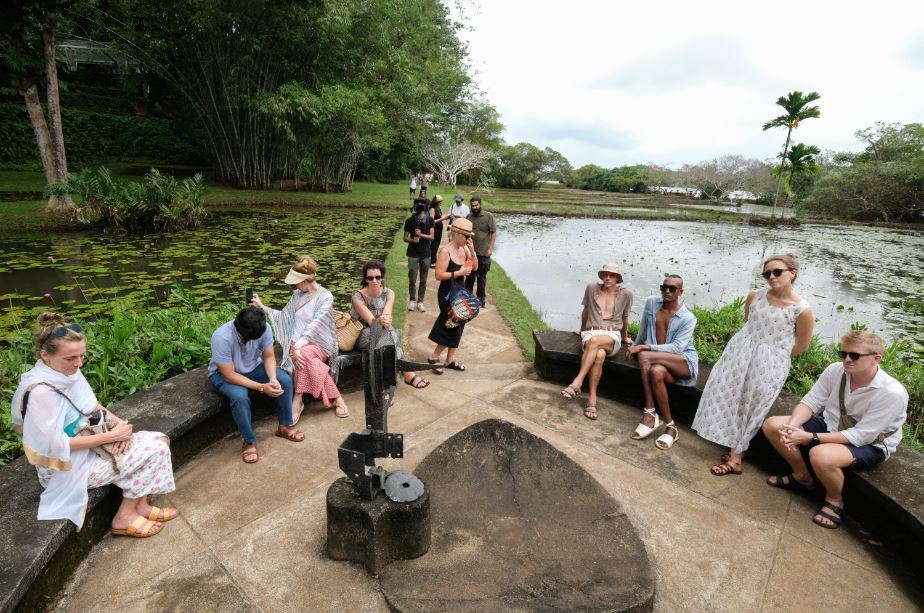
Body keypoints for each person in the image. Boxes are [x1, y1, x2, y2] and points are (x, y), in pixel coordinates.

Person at [11, 313, 178, 537]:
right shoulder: (41, 392)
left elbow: (92, 406)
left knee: (160, 439)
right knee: (155, 449)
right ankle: (124, 517)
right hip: (63, 468)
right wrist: (110, 437)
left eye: (82, 356)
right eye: (71, 358)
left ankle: (141, 506)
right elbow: (53, 446)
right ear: (45, 356)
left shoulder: (66, 372)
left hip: (89, 446)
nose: (79, 363)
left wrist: (122, 428)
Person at [762, 331, 907, 529]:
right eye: (843, 354)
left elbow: (862, 435)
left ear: (876, 359)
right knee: (773, 426)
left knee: (821, 455)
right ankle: (802, 477)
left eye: (854, 355)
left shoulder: (891, 393)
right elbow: (811, 402)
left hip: (871, 443)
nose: (847, 359)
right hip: (831, 423)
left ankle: (834, 500)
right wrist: (792, 426)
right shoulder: (835, 370)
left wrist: (809, 437)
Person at [692, 253, 813, 476]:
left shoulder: (802, 309)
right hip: (740, 352)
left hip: (770, 363)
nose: (772, 277)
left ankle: (737, 456)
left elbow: (801, 346)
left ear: (793, 273)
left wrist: (773, 354)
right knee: (730, 396)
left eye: (777, 272)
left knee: (754, 404)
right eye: (767, 273)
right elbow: (748, 323)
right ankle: (734, 449)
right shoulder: (754, 296)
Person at [250, 255, 348, 423]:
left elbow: (315, 325)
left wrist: (298, 346)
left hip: (320, 343)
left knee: (301, 354)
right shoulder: (297, 295)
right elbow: (285, 317)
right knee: (304, 356)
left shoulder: (325, 297)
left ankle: (298, 398)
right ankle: (337, 397)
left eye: (296, 282)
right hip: (297, 344)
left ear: (305, 280)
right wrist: (263, 307)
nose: (294, 286)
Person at [208, 307, 301, 464]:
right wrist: (262, 388)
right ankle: (249, 441)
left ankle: (285, 426)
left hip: (253, 367)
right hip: (223, 375)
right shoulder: (221, 337)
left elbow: (269, 356)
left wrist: (272, 379)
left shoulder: (263, 328)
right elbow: (229, 375)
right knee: (240, 396)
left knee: (283, 379)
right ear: (240, 330)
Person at [626, 275, 699, 449]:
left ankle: (650, 413)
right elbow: (643, 331)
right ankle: (671, 427)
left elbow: (677, 348)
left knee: (644, 355)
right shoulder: (652, 303)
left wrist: (643, 349)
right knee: (656, 371)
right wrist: (634, 347)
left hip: (682, 362)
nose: (667, 291)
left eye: (672, 288)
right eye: (664, 287)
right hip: (659, 362)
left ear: (680, 292)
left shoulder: (688, 318)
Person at [560, 264, 634, 420]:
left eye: (611, 275)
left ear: (617, 278)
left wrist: (624, 337)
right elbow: (586, 310)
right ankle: (592, 398)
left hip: (611, 335)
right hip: (591, 332)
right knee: (599, 355)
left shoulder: (626, 294)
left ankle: (577, 382)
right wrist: (581, 330)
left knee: (596, 342)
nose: (608, 277)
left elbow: (625, 318)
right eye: (605, 274)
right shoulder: (592, 288)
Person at [352, 260, 430, 389]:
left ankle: (387, 388)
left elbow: (387, 315)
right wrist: (381, 321)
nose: (375, 281)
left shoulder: (389, 293)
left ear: (382, 277)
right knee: (388, 334)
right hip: (363, 334)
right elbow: (371, 322)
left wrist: (384, 320)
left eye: (378, 277)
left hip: (383, 330)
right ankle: (407, 374)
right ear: (365, 279)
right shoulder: (358, 297)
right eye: (370, 278)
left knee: (387, 337)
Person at [427, 218, 478, 374]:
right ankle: (434, 356)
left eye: (470, 236)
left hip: (460, 291)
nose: (468, 239)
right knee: (450, 323)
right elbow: (438, 275)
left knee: (460, 323)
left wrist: (473, 253)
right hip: (447, 293)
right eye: (466, 236)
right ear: (456, 234)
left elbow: (474, 267)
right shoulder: (445, 251)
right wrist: (459, 272)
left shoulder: (465, 249)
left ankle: (449, 360)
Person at [465, 196, 497, 307]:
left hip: (483, 254)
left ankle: (480, 299)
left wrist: (490, 248)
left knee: (481, 277)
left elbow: (493, 233)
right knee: (469, 276)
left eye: (476, 205)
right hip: (469, 254)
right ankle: (467, 299)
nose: (474, 207)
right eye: (472, 205)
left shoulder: (488, 216)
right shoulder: (468, 217)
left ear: (480, 205)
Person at [404, 197, 435, 312]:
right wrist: (412, 240)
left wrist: (421, 235)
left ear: (425, 207)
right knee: (412, 278)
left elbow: (432, 237)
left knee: (423, 279)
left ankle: (420, 301)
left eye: (422, 204)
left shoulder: (430, 220)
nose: (420, 206)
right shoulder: (409, 220)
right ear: (415, 206)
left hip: (425, 253)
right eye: (417, 204)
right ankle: (412, 300)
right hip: (413, 253)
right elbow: (405, 238)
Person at [429, 194, 448, 268]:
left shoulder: (438, 208)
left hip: (439, 229)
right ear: (436, 202)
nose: (441, 203)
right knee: (434, 245)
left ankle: (433, 259)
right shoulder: (432, 209)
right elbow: (432, 221)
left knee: (436, 245)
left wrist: (446, 217)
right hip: (435, 229)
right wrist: (442, 218)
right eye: (440, 202)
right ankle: (431, 261)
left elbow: (440, 217)